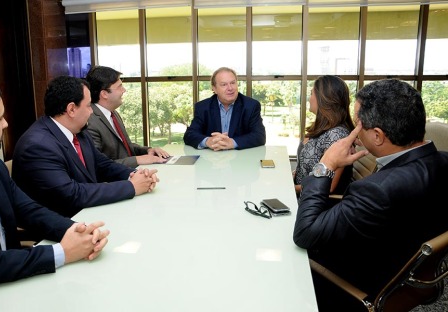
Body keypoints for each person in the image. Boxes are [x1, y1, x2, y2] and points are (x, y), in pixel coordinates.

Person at [0, 75, 109, 311]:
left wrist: (78, 231)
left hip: (15, 281)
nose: (5, 124)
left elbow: (28, 210)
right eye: (0, 118)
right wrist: (61, 252)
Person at [293, 79, 448, 311]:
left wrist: (326, 164)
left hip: (358, 282)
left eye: (358, 121)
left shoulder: (376, 190)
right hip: (405, 270)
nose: (354, 127)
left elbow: (304, 234)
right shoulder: (444, 161)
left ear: (377, 135)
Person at [12, 76, 159, 218]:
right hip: (62, 226)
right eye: (88, 105)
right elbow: (72, 194)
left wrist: (135, 175)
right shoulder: (38, 145)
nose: (91, 111)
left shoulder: (78, 131)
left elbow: (102, 164)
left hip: (87, 214)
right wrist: (131, 187)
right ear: (71, 109)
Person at [85, 65, 170, 167]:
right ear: (104, 94)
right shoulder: (90, 121)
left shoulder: (113, 113)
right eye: (119, 86)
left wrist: (148, 150)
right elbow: (99, 165)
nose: (124, 90)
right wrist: (137, 160)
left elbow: (124, 147)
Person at [293, 75, 355, 196]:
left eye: (311, 94)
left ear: (324, 99)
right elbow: (306, 168)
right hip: (301, 195)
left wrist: (292, 188)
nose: (309, 99)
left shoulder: (336, 135)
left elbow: (328, 187)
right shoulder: (320, 128)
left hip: (310, 203)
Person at [183, 67, 266, 151]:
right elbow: (190, 134)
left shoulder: (251, 106)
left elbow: (260, 136)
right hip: (212, 159)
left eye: (233, 83)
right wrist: (208, 141)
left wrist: (232, 142)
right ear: (214, 89)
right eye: (224, 84)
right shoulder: (202, 107)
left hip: (240, 160)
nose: (230, 88)